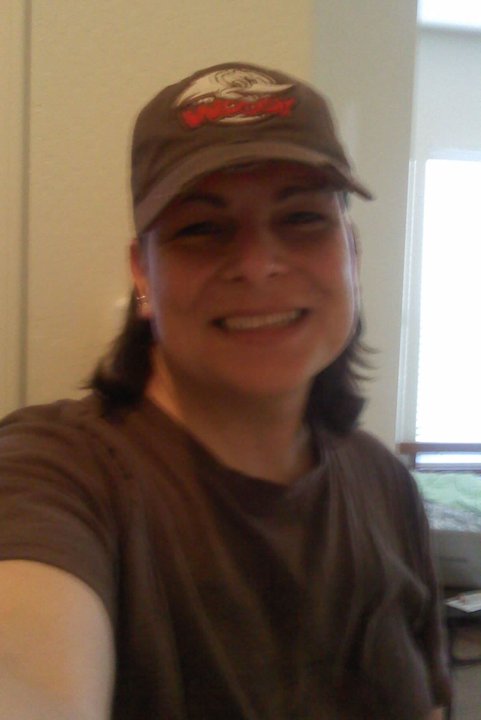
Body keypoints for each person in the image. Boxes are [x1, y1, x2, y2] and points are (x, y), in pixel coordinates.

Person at [0, 62, 450, 719]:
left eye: (302, 218)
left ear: (351, 253)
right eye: (202, 230)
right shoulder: (56, 474)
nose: (258, 265)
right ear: (143, 275)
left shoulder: (384, 485)